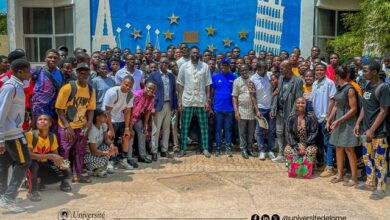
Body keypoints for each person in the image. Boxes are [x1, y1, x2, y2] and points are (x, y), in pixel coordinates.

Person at [354, 60, 390, 200]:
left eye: (366, 70)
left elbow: (384, 110)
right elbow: (364, 106)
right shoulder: (367, 85)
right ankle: (370, 182)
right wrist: (358, 123)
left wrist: (373, 129)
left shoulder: (383, 88)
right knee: (368, 158)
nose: (363, 73)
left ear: (374, 72)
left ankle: (381, 187)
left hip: (379, 132)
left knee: (380, 160)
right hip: (366, 130)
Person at [55, 62, 96, 183]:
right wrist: (67, 127)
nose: (83, 73)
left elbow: (91, 109)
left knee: (79, 152)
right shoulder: (67, 88)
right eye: (80, 71)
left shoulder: (90, 90)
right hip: (67, 127)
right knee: (65, 152)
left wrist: (88, 124)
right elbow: (59, 109)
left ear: (89, 73)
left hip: (81, 126)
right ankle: (64, 177)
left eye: (86, 71)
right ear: (76, 73)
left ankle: (76, 175)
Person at [0, 59, 32, 213]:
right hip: (12, 135)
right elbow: (1, 113)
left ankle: (2, 195)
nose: (30, 73)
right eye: (28, 70)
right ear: (20, 72)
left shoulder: (17, 86)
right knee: (24, 162)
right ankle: (8, 198)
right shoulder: (10, 87)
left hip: (12, 132)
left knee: (4, 164)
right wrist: (0, 138)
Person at [26, 114, 72, 202]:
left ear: (51, 123)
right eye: (40, 119)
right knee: (33, 165)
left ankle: (63, 181)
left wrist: (64, 166)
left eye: (45, 119)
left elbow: (56, 155)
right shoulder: (30, 135)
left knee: (65, 165)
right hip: (31, 165)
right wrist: (50, 156)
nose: (42, 121)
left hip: (44, 164)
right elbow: (30, 155)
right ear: (36, 123)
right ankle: (32, 191)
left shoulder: (52, 136)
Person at [177, 46, 212, 158]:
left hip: (201, 101)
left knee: (204, 126)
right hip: (187, 100)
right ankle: (183, 149)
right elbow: (180, 84)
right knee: (185, 126)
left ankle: (205, 148)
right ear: (190, 53)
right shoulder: (184, 66)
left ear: (199, 54)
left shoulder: (205, 66)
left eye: (197, 52)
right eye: (193, 52)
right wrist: (179, 101)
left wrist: (207, 100)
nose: (195, 54)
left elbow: (208, 84)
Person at [327, 66, 360, 187]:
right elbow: (336, 105)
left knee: (349, 149)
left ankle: (354, 177)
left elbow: (354, 110)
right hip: (338, 121)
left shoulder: (350, 89)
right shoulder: (338, 88)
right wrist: (329, 120)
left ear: (336, 76)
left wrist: (338, 120)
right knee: (338, 147)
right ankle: (340, 174)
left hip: (348, 122)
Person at [271, 60, 304, 163]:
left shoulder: (298, 81)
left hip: (290, 111)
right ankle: (280, 153)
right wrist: (273, 107)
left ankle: (289, 154)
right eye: (280, 68)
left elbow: (298, 99)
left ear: (289, 68)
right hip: (280, 110)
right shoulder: (281, 78)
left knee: (289, 133)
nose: (280, 70)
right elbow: (277, 93)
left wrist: (294, 113)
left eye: (282, 68)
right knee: (279, 132)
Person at [103, 76, 135, 171]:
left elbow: (127, 111)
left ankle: (123, 159)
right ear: (121, 82)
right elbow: (107, 112)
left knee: (126, 137)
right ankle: (110, 162)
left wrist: (127, 128)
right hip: (108, 119)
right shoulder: (113, 92)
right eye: (126, 84)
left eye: (130, 86)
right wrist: (111, 129)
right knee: (110, 139)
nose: (128, 87)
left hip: (120, 118)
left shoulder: (130, 95)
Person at [148, 58, 178, 161]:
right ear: (159, 64)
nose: (164, 64)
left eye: (166, 62)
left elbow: (174, 92)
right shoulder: (153, 75)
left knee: (166, 129)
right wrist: (151, 107)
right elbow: (150, 92)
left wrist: (174, 106)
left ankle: (164, 150)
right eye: (162, 62)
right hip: (157, 106)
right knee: (156, 130)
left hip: (169, 105)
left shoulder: (171, 76)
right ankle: (154, 151)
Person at [312, 63, 337, 177]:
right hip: (317, 118)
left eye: (321, 70)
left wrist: (328, 117)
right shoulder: (315, 83)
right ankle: (326, 164)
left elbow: (333, 101)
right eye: (317, 70)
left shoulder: (329, 83)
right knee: (321, 143)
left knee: (329, 143)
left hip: (326, 118)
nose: (319, 72)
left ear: (325, 71)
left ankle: (330, 167)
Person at [32, 49, 65, 132]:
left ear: (58, 60)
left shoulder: (61, 74)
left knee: (51, 135)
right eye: (50, 57)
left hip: (53, 111)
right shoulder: (36, 71)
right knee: (37, 136)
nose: (52, 59)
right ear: (45, 58)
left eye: (55, 58)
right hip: (37, 111)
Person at [249, 60, 275, 160]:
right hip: (260, 108)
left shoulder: (270, 75)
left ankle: (271, 150)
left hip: (271, 107)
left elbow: (275, 87)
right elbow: (252, 96)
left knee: (271, 130)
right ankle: (261, 151)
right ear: (258, 69)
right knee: (260, 130)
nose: (265, 71)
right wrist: (257, 110)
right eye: (263, 69)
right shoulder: (252, 79)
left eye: (266, 69)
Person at [211, 58, 236, 157]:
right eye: (223, 65)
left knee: (228, 129)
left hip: (229, 108)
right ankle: (218, 147)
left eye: (226, 65)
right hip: (218, 108)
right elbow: (212, 93)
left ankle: (228, 147)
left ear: (229, 66)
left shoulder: (233, 77)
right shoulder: (215, 77)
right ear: (220, 66)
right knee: (217, 129)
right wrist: (211, 106)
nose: (224, 66)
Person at [233, 64, 257, 159]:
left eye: (245, 70)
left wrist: (256, 110)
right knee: (242, 132)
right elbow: (234, 97)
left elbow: (255, 95)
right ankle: (243, 149)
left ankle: (250, 149)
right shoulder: (236, 81)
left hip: (251, 110)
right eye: (242, 70)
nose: (244, 72)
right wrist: (236, 111)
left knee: (251, 132)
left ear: (248, 70)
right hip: (241, 110)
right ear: (239, 71)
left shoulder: (252, 80)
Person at [85, 109, 118, 177]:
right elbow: (93, 151)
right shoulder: (92, 130)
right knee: (102, 161)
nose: (106, 117)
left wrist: (112, 146)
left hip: (97, 148)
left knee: (109, 148)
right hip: (88, 153)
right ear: (97, 117)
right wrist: (107, 153)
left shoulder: (103, 125)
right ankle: (89, 167)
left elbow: (106, 140)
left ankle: (95, 169)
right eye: (104, 115)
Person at [129, 81, 156, 163]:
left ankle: (142, 156)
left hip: (137, 118)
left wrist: (145, 126)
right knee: (130, 135)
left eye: (153, 89)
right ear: (145, 87)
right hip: (128, 117)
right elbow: (129, 109)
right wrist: (129, 126)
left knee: (142, 133)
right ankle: (129, 158)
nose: (151, 90)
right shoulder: (137, 95)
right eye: (149, 88)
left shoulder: (152, 97)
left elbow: (148, 112)